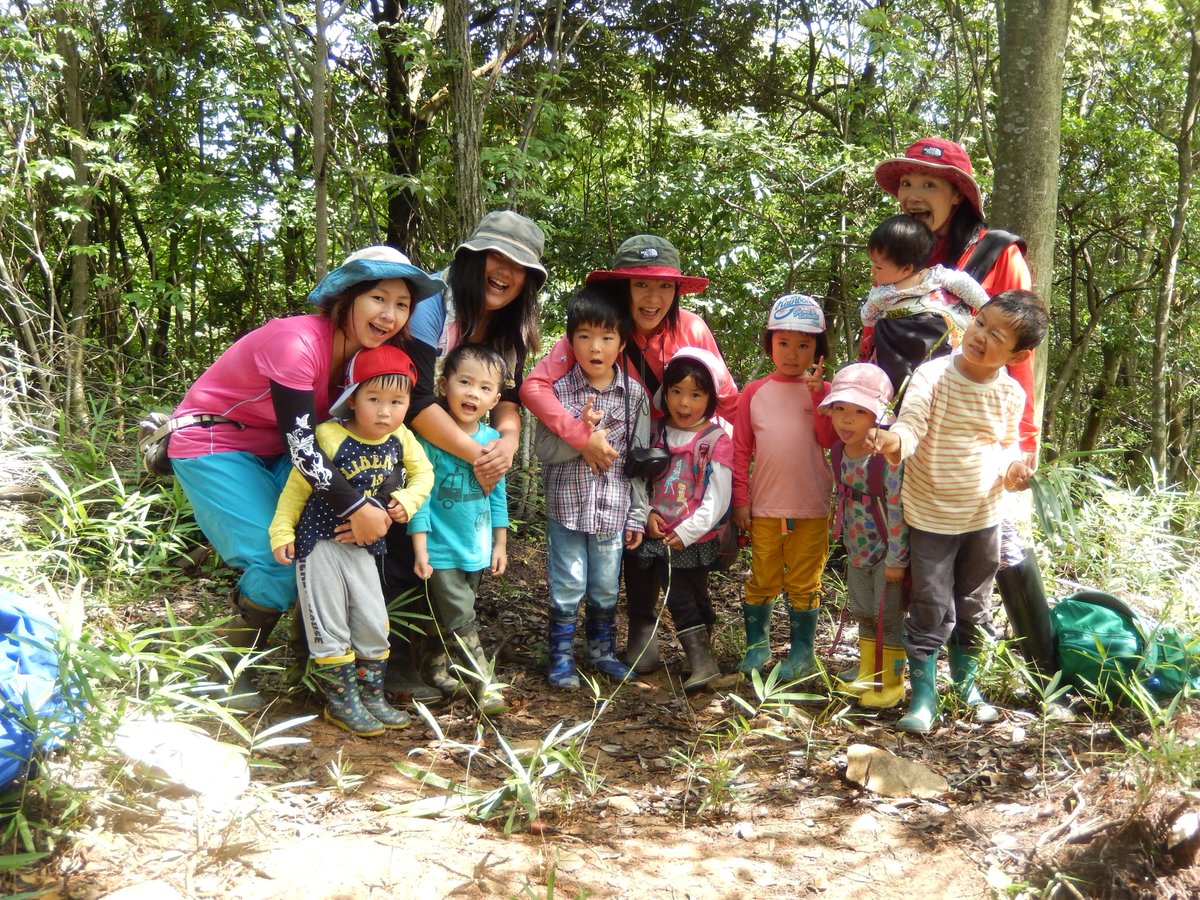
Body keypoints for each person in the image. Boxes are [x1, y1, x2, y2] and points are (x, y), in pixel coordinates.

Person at [167, 246, 445, 707]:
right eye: (379, 298)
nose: (390, 314)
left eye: (402, 305)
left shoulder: (367, 363)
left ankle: (317, 667)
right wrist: (357, 506)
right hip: (214, 442)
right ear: (348, 298)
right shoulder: (297, 343)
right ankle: (219, 671)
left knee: (322, 542)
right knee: (277, 555)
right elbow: (303, 443)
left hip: (275, 450)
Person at [874, 136, 1053, 680]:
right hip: (910, 430)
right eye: (907, 183)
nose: (912, 194)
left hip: (980, 437)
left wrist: (1021, 444)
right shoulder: (901, 253)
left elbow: (1017, 356)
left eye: (929, 184)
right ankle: (913, 668)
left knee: (1001, 547)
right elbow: (877, 340)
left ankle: (1044, 668)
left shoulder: (997, 255)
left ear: (959, 198)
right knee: (908, 549)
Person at [521, 234, 738, 673]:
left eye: (664, 286)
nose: (653, 297)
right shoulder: (599, 329)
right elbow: (534, 387)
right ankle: (638, 635)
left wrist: (731, 477)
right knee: (631, 544)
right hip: (622, 465)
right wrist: (579, 437)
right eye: (641, 285)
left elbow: (727, 401)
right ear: (624, 288)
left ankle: (698, 648)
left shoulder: (691, 328)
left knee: (683, 550)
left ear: (677, 291)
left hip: (685, 461)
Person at [381, 210, 547, 701]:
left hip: (456, 448)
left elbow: (510, 397)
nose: (505, 272)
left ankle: (430, 660)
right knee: (401, 542)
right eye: (496, 256)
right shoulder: (432, 302)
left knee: (454, 559)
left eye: (519, 267)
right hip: (387, 431)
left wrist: (508, 443)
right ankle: (392, 660)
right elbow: (411, 395)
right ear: (472, 259)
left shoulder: (507, 327)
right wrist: (479, 452)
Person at [869, 290, 1049, 733]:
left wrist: (1013, 471)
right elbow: (910, 426)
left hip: (983, 516)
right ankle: (924, 695)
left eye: (997, 335)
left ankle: (967, 686)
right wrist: (893, 441)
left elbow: (1006, 445)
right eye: (980, 322)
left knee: (974, 602)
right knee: (930, 603)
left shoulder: (1009, 393)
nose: (981, 336)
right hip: (931, 514)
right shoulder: (933, 376)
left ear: (1019, 353)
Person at [268, 345, 433, 736]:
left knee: (374, 620)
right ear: (352, 398)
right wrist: (281, 530)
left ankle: (370, 695)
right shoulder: (327, 435)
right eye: (373, 399)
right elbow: (297, 488)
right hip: (319, 542)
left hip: (363, 545)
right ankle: (341, 702)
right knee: (329, 622)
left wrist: (407, 501)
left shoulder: (402, 438)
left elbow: (424, 473)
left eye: (397, 401)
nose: (384, 411)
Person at [532, 288, 648, 689]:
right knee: (567, 585)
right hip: (567, 508)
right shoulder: (559, 391)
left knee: (603, 585)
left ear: (622, 341)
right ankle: (560, 657)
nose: (595, 348)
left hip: (612, 512)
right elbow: (543, 449)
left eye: (606, 337)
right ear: (569, 340)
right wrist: (581, 433)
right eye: (584, 336)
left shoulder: (634, 396)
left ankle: (602, 653)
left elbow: (637, 461)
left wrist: (638, 513)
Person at [731, 294, 836, 682]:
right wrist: (740, 500)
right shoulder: (754, 392)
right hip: (765, 506)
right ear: (770, 343)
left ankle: (802, 653)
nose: (793, 353)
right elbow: (740, 449)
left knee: (805, 581)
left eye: (804, 345)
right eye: (784, 343)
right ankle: (756, 647)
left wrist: (818, 394)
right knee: (762, 576)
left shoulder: (826, 391)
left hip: (811, 506)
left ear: (818, 350)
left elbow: (828, 439)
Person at [407, 343, 510, 714]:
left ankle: (433, 669)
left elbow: (497, 497)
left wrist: (499, 544)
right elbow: (417, 495)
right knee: (461, 613)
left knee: (444, 614)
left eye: (484, 388)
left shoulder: (492, 442)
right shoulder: (430, 439)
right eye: (464, 382)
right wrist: (420, 547)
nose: (473, 393)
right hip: (440, 547)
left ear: (495, 398)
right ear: (443, 384)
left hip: (476, 548)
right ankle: (483, 681)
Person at [627, 347, 733, 692]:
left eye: (696, 394)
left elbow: (718, 496)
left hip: (692, 537)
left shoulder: (715, 441)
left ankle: (703, 658)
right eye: (676, 392)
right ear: (665, 393)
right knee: (671, 593)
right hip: (657, 533)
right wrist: (647, 515)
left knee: (692, 593)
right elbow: (641, 480)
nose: (684, 404)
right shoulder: (657, 432)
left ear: (710, 397)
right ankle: (698, 660)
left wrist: (687, 530)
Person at [818, 363, 908, 708]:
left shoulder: (885, 459)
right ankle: (868, 672)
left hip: (887, 552)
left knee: (889, 616)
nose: (846, 420)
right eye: (839, 409)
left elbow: (897, 509)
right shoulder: (839, 450)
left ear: (877, 417)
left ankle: (893, 680)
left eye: (859, 411)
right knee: (864, 612)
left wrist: (897, 558)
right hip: (856, 549)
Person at [858, 214, 989, 401]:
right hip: (903, 352)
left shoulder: (939, 276)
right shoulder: (882, 293)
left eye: (878, 267)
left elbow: (969, 289)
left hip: (945, 341)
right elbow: (867, 318)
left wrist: (986, 309)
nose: (872, 271)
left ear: (906, 268)